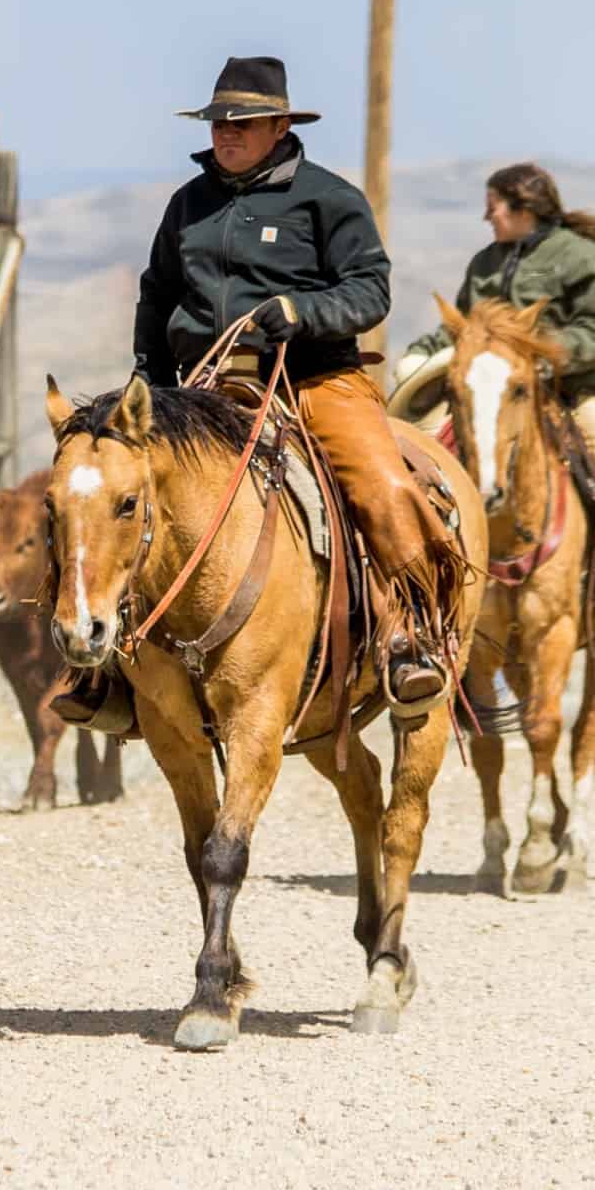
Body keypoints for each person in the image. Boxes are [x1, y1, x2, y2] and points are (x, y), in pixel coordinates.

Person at [132, 55, 466, 706]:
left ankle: (410, 632)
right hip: (201, 389)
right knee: (106, 488)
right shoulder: (187, 206)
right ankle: (103, 665)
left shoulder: (328, 198)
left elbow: (370, 291)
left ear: (280, 124)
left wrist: (300, 312)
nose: (225, 133)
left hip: (315, 380)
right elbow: (156, 296)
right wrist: (151, 385)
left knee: (383, 484)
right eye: (218, 123)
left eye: (243, 123)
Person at [397, 160, 595, 629]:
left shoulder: (582, 257)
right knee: (410, 458)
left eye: (494, 208)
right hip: (486, 392)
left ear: (524, 208)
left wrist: (544, 362)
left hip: (566, 389)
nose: (488, 219)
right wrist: (420, 355)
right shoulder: (485, 261)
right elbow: (463, 326)